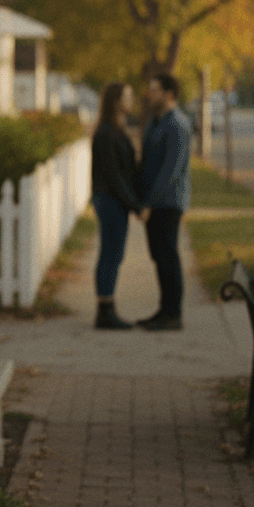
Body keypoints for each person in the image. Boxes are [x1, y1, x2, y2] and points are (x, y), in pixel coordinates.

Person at [137, 72, 193, 331]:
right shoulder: (156, 122)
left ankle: (174, 315)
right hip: (153, 201)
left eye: (155, 90)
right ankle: (163, 311)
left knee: (168, 256)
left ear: (169, 94)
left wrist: (149, 202)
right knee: (159, 256)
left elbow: (171, 171)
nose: (150, 94)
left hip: (168, 203)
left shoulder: (178, 124)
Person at [91, 83, 148, 329]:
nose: (132, 99)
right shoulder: (106, 133)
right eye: (128, 96)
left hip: (114, 202)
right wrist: (136, 206)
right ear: (116, 101)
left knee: (114, 254)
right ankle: (105, 312)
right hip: (110, 201)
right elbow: (115, 176)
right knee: (110, 255)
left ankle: (108, 308)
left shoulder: (116, 130)